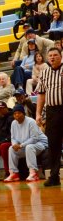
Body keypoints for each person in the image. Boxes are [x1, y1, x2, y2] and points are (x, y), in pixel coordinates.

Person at [35, 46, 63, 187]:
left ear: (61, 56)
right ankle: (54, 176)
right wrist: (38, 113)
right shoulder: (44, 73)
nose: (52, 57)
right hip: (52, 111)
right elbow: (41, 94)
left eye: (55, 55)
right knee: (53, 145)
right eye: (50, 55)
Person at [4, 104, 48, 183]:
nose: (16, 115)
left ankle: (33, 173)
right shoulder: (13, 123)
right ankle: (14, 173)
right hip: (26, 145)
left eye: (19, 113)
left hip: (41, 143)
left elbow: (34, 139)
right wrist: (14, 145)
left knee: (29, 147)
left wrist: (21, 145)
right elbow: (13, 138)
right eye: (15, 113)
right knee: (11, 149)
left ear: (23, 113)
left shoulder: (31, 121)